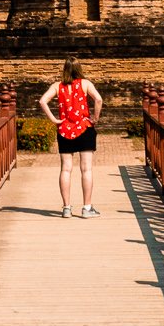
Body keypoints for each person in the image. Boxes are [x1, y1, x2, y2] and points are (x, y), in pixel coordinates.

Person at [38, 58, 103, 218]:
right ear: (79, 68)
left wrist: (54, 119)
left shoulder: (57, 86)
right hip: (84, 128)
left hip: (64, 130)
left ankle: (66, 208)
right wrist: (95, 117)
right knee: (86, 169)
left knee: (65, 169)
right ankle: (87, 208)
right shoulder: (85, 84)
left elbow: (42, 101)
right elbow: (99, 99)